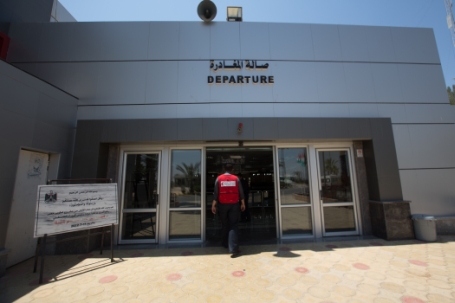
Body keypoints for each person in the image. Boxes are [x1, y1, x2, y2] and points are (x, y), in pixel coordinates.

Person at [212, 163, 245, 258]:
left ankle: (224, 243)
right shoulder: (236, 178)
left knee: (224, 223)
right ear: (232, 169)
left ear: (223, 168)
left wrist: (213, 205)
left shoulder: (219, 178)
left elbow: (216, 193)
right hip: (234, 204)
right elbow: (241, 192)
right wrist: (243, 203)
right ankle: (233, 248)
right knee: (233, 225)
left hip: (222, 204)